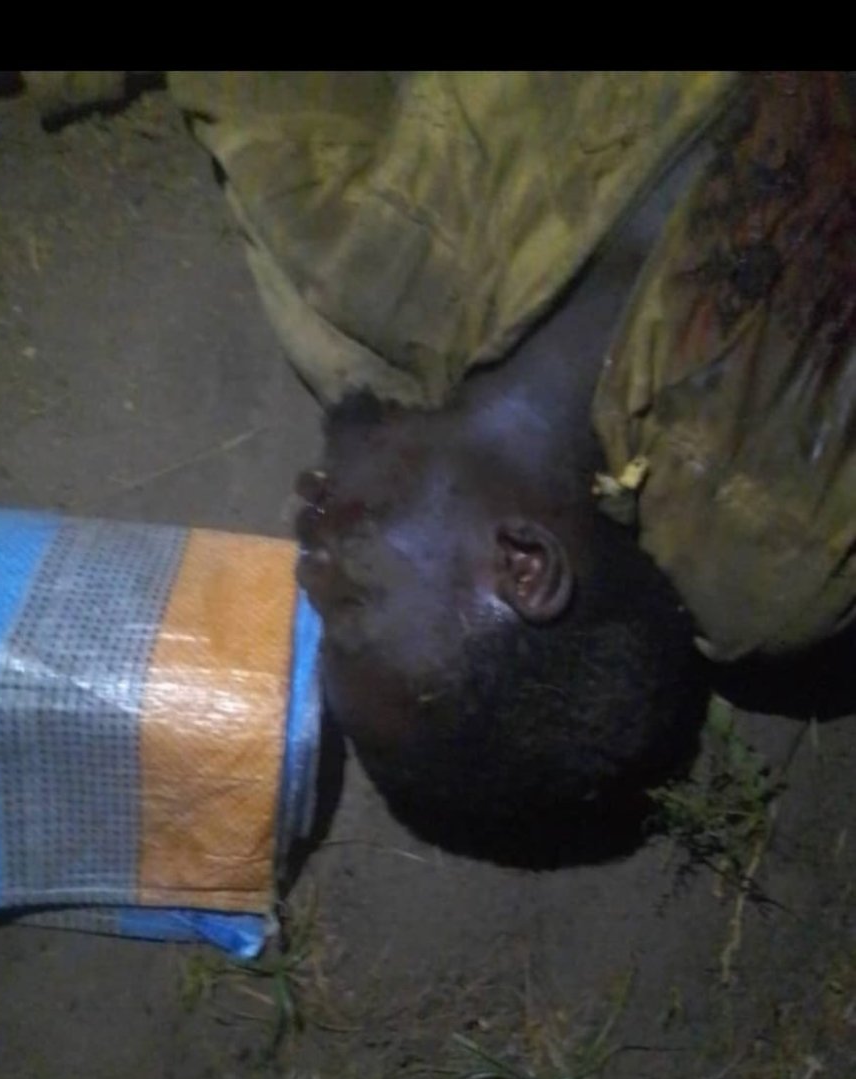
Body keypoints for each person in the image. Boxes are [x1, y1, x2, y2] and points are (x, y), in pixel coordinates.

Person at [293, 169, 709, 867]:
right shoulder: (762, 399)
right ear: (524, 564)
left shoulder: (346, 252)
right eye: (356, 604)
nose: (306, 566)